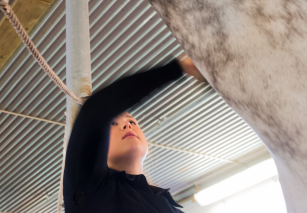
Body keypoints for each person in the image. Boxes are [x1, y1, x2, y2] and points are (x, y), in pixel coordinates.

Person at [63, 57, 204, 213]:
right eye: (113, 123)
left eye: (133, 122)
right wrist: (179, 68)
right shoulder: (92, 188)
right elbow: (95, 113)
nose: (127, 124)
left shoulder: (169, 205)